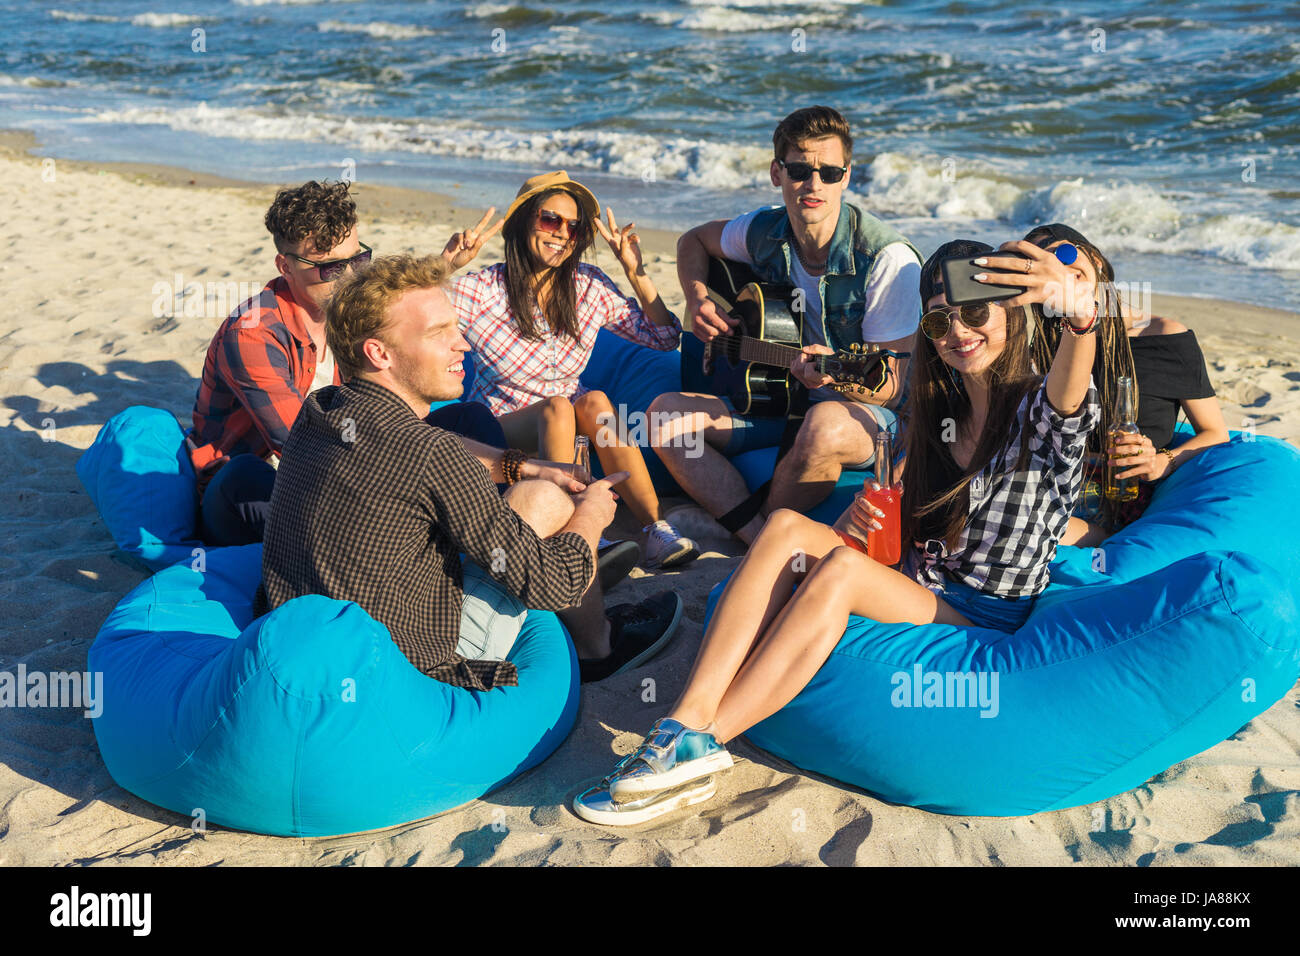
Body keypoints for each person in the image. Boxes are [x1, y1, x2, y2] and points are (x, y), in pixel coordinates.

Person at [572, 238, 1100, 824]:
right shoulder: (940, 407)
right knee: (786, 527)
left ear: (1013, 312)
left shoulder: (1038, 411)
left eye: (976, 312)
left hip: (982, 613)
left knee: (842, 570)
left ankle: (705, 743)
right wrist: (856, 526)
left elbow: (1069, 394)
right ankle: (682, 722)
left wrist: (1079, 315)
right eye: (940, 318)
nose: (959, 331)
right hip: (919, 585)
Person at [259, 254, 682, 686]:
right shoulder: (430, 453)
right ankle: (599, 647)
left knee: (514, 469)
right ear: (378, 353)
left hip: (314, 637)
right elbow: (555, 586)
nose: (462, 344)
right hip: (407, 664)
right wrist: (592, 511)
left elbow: (421, 449)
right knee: (548, 499)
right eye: (439, 333)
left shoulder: (320, 411)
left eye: (455, 327)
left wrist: (522, 464)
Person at [649, 105, 923, 546]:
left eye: (829, 172)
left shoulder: (887, 260)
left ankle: (768, 533)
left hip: (877, 418)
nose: (813, 185)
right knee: (664, 415)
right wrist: (698, 297)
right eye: (799, 170)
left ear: (847, 176)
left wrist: (836, 376)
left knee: (824, 424)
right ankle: (757, 538)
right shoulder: (764, 230)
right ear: (777, 173)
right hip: (786, 394)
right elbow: (693, 240)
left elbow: (890, 386)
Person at [189, 180, 504, 547]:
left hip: (344, 459)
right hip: (260, 486)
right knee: (245, 474)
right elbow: (306, 445)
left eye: (357, 260)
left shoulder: (346, 312)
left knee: (470, 419)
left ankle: (492, 538)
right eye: (330, 269)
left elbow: (399, 309)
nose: (349, 277)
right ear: (284, 266)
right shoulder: (252, 335)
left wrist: (443, 263)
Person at [446, 171, 698, 570]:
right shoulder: (484, 289)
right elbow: (401, 311)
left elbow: (665, 337)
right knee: (559, 407)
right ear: (523, 222)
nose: (562, 232)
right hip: (496, 429)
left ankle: (654, 529)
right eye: (550, 219)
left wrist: (636, 272)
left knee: (593, 401)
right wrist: (445, 265)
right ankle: (569, 531)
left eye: (574, 226)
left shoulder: (588, 286)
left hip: (566, 432)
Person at [1024, 223, 1229, 544]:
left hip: (1129, 492)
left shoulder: (1166, 336)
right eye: (1040, 265)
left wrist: (1161, 462)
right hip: (1063, 486)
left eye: (1062, 252)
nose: (1057, 266)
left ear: (1097, 259)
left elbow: (1215, 432)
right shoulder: (1048, 349)